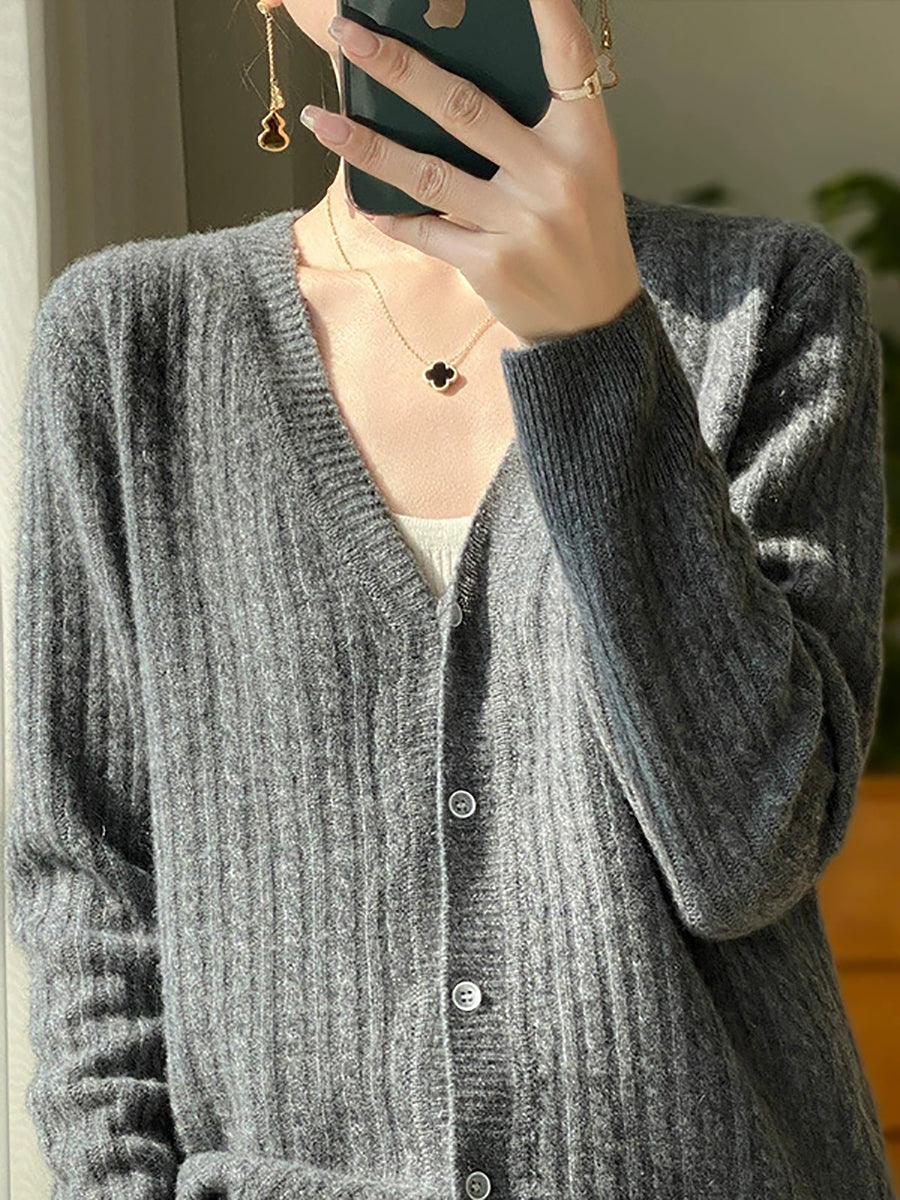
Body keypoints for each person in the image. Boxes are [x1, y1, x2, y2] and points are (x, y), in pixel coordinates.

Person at [5, 0, 896, 1196]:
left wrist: (592, 342)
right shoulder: (129, 346)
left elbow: (748, 859)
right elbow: (92, 888)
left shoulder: (768, 305)